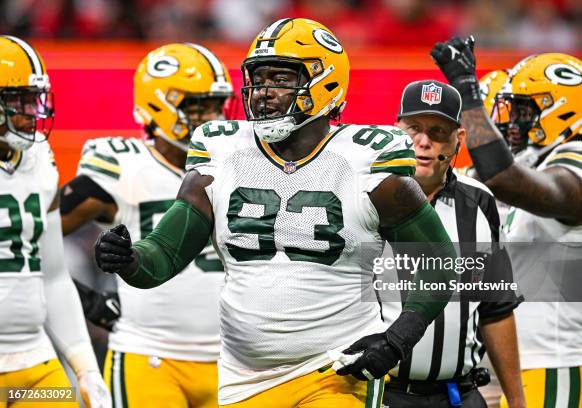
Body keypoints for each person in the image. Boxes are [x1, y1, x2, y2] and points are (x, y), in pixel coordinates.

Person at [94, 18, 459, 407]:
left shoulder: (365, 160)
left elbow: (440, 261)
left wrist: (398, 339)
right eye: (259, 78)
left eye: (281, 79)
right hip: (242, 377)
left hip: (334, 370)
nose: (263, 93)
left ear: (326, 83)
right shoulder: (222, 151)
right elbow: (164, 254)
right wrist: (129, 260)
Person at [431, 36, 582, 407]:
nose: (511, 122)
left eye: (523, 111)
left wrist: (467, 90)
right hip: (506, 374)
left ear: (562, 111)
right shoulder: (526, 166)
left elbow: (505, 180)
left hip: (558, 370)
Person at [59, 43, 234, 407]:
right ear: (159, 105)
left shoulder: (240, 164)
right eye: (198, 106)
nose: (212, 117)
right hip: (149, 354)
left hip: (236, 360)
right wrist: (84, 298)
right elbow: (27, 235)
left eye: (218, 105)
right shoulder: (126, 165)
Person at [380, 79, 525, 408]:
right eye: (413, 128)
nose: (423, 141)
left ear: (459, 140)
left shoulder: (480, 202)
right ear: (395, 130)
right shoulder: (367, 196)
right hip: (379, 394)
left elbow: (495, 308)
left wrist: (517, 401)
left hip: (457, 395)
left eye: (438, 131)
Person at [0, 35, 110, 408]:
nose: (34, 111)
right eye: (20, 100)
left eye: (36, 98)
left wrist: (85, 367)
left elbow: (53, 276)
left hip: (35, 360)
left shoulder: (39, 158)